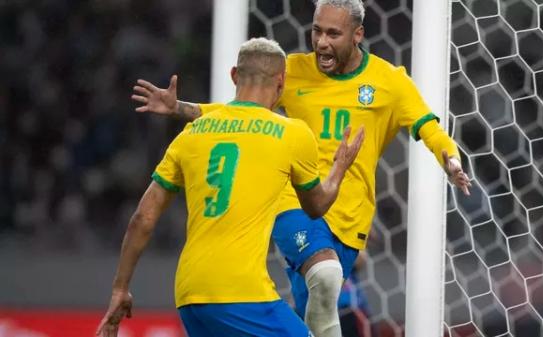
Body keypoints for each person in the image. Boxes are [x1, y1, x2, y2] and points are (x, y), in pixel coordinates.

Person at [131, 1, 471, 336]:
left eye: (333, 33)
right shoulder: (291, 71)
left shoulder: (389, 82)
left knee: (314, 315)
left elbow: (428, 127)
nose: (321, 42)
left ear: (358, 34)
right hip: (296, 205)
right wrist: (180, 109)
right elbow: (238, 113)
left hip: (350, 220)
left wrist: (450, 159)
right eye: (317, 30)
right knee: (324, 272)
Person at [96, 37, 365, 337]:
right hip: (242, 292)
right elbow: (316, 207)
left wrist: (120, 289)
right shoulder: (291, 133)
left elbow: (142, 219)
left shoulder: (191, 134)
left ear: (234, 76)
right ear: (282, 81)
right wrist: (340, 168)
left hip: (190, 295)